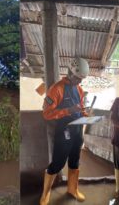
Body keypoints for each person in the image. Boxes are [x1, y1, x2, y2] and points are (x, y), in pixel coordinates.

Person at [40, 58, 90, 204]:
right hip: (64, 132)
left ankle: (72, 189)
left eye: (81, 79)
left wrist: (86, 114)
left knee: (75, 162)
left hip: (78, 131)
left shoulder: (79, 90)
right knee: (57, 163)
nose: (79, 82)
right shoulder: (56, 89)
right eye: (77, 78)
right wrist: (68, 110)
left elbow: (80, 109)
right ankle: (45, 194)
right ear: (70, 73)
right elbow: (47, 113)